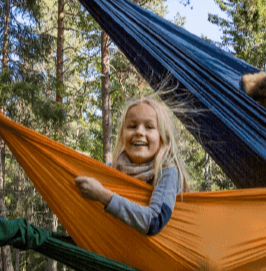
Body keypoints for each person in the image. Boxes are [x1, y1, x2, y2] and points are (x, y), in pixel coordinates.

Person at [75, 96, 190, 236]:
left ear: (162, 137)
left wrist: (102, 195)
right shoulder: (113, 169)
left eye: (149, 127)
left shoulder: (167, 171)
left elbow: (155, 220)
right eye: (132, 126)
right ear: (122, 135)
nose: (139, 132)